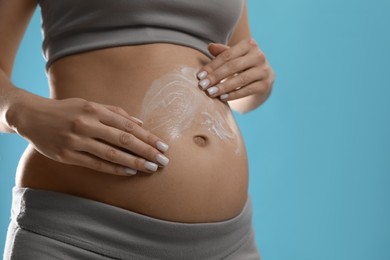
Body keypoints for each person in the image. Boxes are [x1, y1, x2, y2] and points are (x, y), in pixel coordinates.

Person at [1, 0, 275, 259]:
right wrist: (20, 112)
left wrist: (259, 80)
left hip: (230, 243)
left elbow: (240, 93)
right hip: (75, 235)